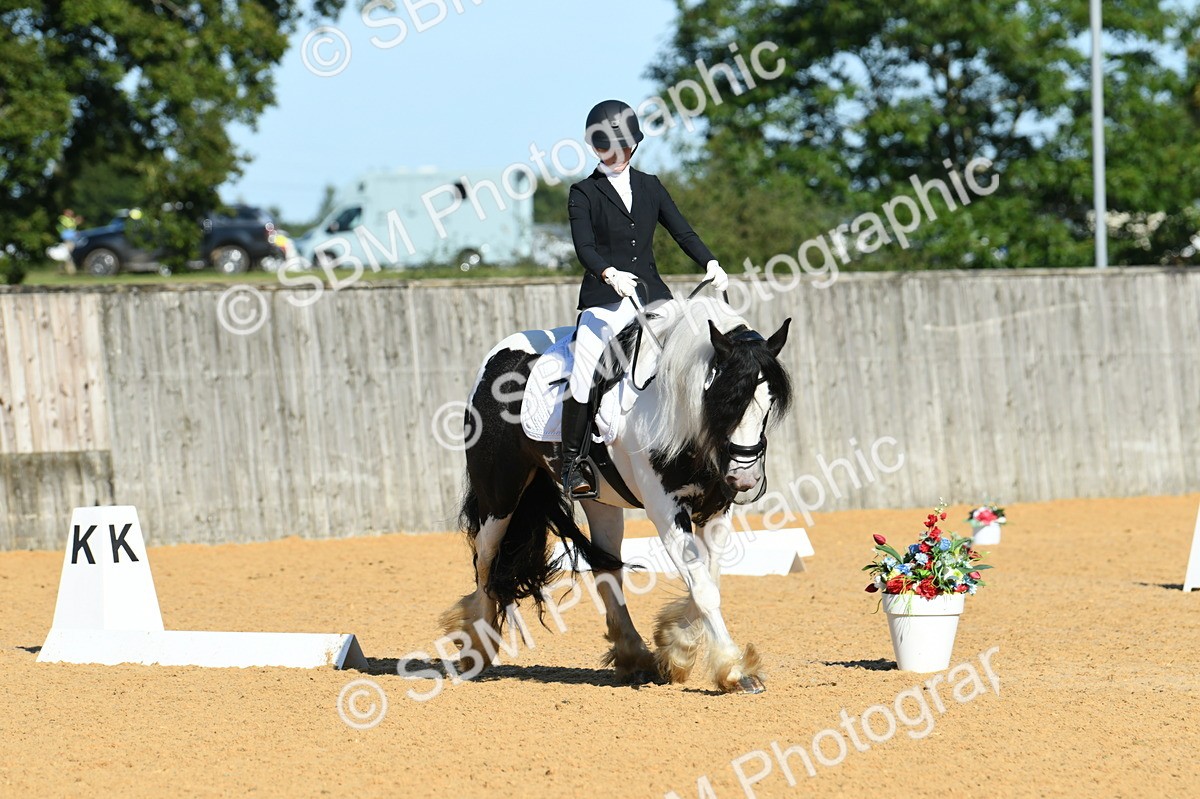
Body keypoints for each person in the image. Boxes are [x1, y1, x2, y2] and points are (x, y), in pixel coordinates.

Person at [560, 98, 729, 499]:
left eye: (620, 149)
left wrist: (710, 261)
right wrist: (608, 272)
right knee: (584, 367)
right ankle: (572, 464)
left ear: (634, 145)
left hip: (654, 298)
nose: (614, 156)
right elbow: (583, 246)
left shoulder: (650, 185)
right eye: (604, 150)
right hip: (605, 298)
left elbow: (682, 231)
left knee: (697, 352)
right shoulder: (582, 192)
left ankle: (705, 447)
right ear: (594, 149)